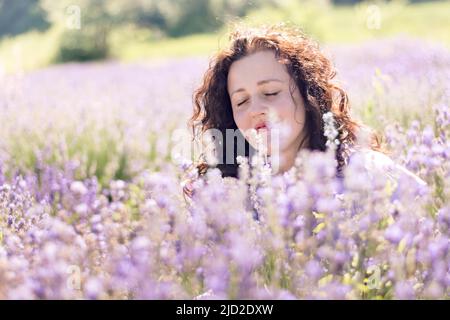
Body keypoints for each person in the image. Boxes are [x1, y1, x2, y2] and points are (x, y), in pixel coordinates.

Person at [183, 23, 425, 199]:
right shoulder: (238, 195)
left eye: (270, 93)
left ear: (308, 93)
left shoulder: (368, 171)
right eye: (241, 101)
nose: (256, 110)